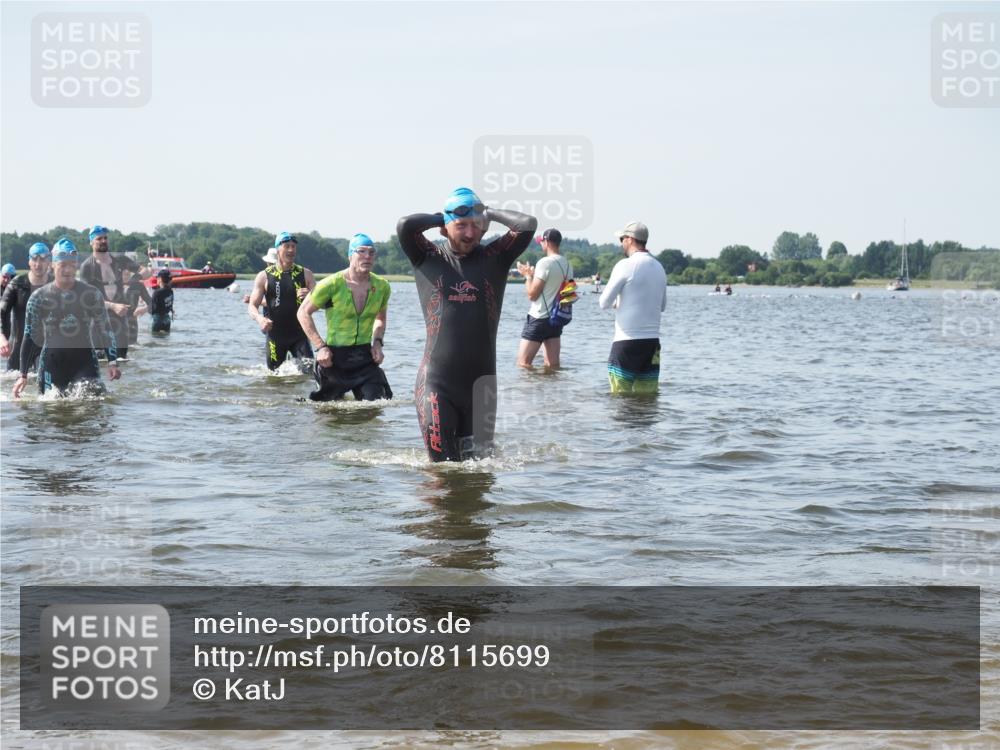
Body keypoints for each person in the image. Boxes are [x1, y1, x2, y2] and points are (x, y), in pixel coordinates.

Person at [397, 187, 537, 462]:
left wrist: (489, 213)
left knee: (480, 474)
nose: (470, 233)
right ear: (444, 229)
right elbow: (406, 225)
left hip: (482, 389)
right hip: (437, 385)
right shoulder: (427, 257)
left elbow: (527, 225)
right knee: (442, 473)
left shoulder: (495, 258)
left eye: (476, 226)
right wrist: (443, 217)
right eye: (461, 225)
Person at [12, 239, 121, 398]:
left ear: (76, 265)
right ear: (52, 265)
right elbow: (29, 336)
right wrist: (23, 375)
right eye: (63, 265)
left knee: (93, 403)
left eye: (71, 265)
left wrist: (112, 362)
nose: (67, 270)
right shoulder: (39, 297)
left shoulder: (91, 294)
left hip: (85, 363)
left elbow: (104, 328)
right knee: (50, 411)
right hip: (51, 364)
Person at [297, 233, 393, 401]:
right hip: (333, 359)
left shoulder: (382, 286)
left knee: (376, 406)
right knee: (329, 417)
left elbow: (380, 319)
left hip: (364, 357)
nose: (367, 256)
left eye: (371, 252)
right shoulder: (331, 284)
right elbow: (303, 312)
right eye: (361, 251)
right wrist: (320, 347)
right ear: (350, 256)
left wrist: (377, 343)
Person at [598, 221, 667, 394]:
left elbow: (604, 302)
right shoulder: (659, 267)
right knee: (647, 399)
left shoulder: (625, 265)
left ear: (630, 239)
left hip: (626, 343)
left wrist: (617, 302)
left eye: (622, 238)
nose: (621, 242)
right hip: (652, 344)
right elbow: (662, 306)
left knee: (620, 398)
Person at [247, 232, 315, 371]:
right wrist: (260, 318)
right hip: (275, 336)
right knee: (274, 378)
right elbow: (252, 306)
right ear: (278, 249)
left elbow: (324, 304)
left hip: (300, 334)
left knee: (309, 373)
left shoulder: (306, 274)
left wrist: (311, 297)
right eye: (287, 246)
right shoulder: (264, 276)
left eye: (293, 247)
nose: (291, 250)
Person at [516, 228, 573, 369]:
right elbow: (569, 295)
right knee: (552, 366)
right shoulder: (568, 264)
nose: (541, 244)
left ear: (546, 242)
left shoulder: (544, 262)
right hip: (556, 319)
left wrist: (528, 276)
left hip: (539, 318)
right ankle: (551, 391)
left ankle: (531, 391)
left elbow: (532, 295)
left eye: (541, 241)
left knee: (523, 364)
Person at [78, 225, 137, 358]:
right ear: (91, 242)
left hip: (120, 323)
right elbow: (87, 300)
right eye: (99, 239)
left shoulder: (119, 261)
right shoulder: (86, 267)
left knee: (122, 363)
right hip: (97, 324)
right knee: (100, 366)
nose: (104, 241)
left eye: (105, 238)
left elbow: (143, 273)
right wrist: (113, 306)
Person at [1, 243, 52, 372]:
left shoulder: (56, 284)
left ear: (49, 261)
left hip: (46, 347)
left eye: (42, 259)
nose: (38, 264)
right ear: (29, 261)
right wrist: (2, 337)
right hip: (19, 346)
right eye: (34, 259)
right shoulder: (16, 284)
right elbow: (2, 312)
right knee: (13, 383)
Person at [115, 265, 152, 349]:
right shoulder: (111, 285)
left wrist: (145, 309)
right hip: (115, 322)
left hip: (132, 322)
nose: (125, 276)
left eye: (127, 274)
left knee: (132, 348)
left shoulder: (138, 285)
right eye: (122, 274)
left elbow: (152, 303)